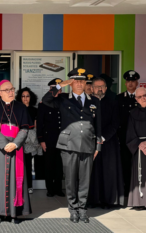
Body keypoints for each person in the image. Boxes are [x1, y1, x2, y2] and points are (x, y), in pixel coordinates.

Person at [42, 68, 102, 224]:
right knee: (70, 179)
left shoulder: (93, 101)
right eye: (76, 80)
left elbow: (98, 125)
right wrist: (60, 85)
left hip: (88, 144)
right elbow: (46, 99)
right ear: (71, 83)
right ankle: (73, 209)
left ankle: (83, 209)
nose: (80, 83)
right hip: (68, 145)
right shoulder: (62, 98)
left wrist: (98, 146)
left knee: (85, 180)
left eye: (82, 80)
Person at [0, 80, 32, 224]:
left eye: (12, 89)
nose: (11, 92)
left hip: (16, 148)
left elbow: (25, 128)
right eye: (7, 90)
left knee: (15, 179)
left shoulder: (21, 107)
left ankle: (14, 213)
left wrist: (15, 144)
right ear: (0, 92)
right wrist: (5, 144)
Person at [88, 77, 125, 209]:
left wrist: (102, 138)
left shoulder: (113, 102)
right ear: (91, 88)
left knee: (108, 171)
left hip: (108, 142)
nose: (99, 89)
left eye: (102, 87)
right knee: (92, 172)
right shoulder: (86, 102)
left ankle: (108, 200)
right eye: (96, 87)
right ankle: (92, 200)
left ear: (106, 88)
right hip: (90, 143)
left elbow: (115, 123)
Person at [126, 87, 146, 211]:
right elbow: (129, 132)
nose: (142, 98)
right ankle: (139, 201)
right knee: (140, 174)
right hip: (139, 148)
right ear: (136, 99)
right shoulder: (132, 113)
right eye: (139, 97)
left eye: (144, 95)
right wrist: (139, 143)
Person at [36, 78, 64, 198]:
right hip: (49, 139)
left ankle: (58, 188)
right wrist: (41, 140)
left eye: (58, 88)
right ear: (50, 90)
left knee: (60, 165)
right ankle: (50, 189)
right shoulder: (44, 104)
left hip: (62, 139)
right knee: (49, 165)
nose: (57, 91)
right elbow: (40, 123)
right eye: (54, 88)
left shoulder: (64, 100)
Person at [117, 70, 140, 198]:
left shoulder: (142, 97)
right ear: (125, 83)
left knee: (137, 165)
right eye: (128, 81)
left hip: (138, 138)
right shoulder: (119, 98)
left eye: (133, 81)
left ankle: (137, 190)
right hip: (124, 138)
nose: (130, 84)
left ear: (137, 83)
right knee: (125, 164)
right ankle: (126, 191)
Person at [15, 87, 40, 194]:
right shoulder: (16, 109)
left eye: (27, 96)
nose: (25, 98)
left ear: (31, 98)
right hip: (18, 139)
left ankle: (29, 186)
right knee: (19, 164)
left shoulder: (35, 110)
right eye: (23, 96)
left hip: (30, 139)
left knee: (29, 164)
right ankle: (18, 186)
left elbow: (35, 126)